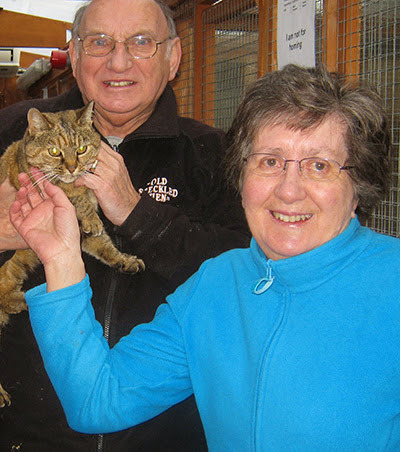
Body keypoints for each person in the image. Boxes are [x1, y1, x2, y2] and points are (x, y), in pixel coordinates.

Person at [10, 63, 400, 451]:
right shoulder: (215, 285)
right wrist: (61, 257)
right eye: (269, 161)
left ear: (359, 186)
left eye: (319, 165)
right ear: (241, 176)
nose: (289, 190)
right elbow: (98, 400)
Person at [0, 0, 249, 450]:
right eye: (99, 42)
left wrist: (138, 214)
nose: (119, 61)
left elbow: (244, 278)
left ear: (173, 58)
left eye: (141, 42)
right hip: (22, 432)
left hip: (166, 434)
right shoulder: (10, 131)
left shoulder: (213, 153)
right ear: (73, 57)